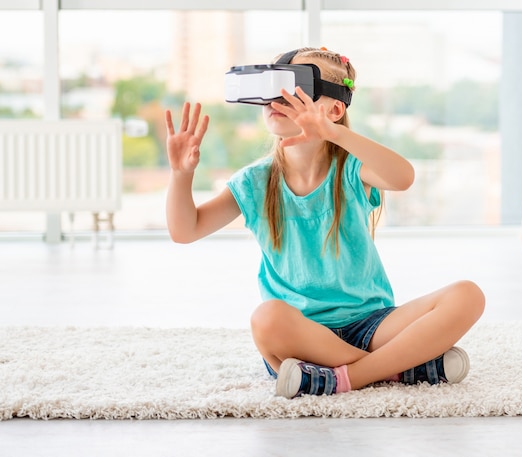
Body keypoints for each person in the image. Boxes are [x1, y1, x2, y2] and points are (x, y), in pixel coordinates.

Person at [164, 47, 485, 399]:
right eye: (273, 86)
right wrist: (181, 176)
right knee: (266, 318)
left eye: (295, 87)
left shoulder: (351, 169)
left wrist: (336, 134)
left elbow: (403, 177)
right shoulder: (254, 182)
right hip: (301, 335)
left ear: (334, 108)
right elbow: (185, 230)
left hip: (372, 323)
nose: (278, 98)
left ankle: (344, 377)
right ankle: (398, 368)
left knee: (467, 295)